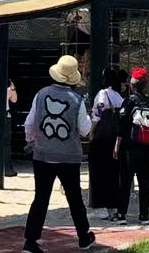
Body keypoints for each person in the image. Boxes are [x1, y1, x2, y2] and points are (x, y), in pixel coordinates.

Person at [23, 55, 95, 253]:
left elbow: (29, 123)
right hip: (68, 157)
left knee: (40, 198)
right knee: (74, 197)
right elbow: (84, 129)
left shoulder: (41, 94)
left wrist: (32, 140)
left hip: (42, 154)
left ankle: (30, 241)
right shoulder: (77, 100)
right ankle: (83, 237)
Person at [114, 67, 149, 223]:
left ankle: (121, 214)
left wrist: (117, 145)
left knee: (125, 181)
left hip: (130, 148)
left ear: (132, 84)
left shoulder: (129, 101)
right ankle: (144, 215)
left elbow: (122, 124)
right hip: (148, 148)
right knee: (145, 183)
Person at [88, 68, 125, 219]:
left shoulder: (102, 94)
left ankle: (100, 206)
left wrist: (91, 132)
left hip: (101, 139)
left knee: (98, 172)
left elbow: (96, 115)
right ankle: (113, 206)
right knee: (113, 173)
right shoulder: (119, 96)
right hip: (114, 139)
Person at [0, 79, 19, 177]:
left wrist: (12, 89)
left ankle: (7, 169)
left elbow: (14, 100)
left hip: (5, 115)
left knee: (6, 143)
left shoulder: (8, 89)